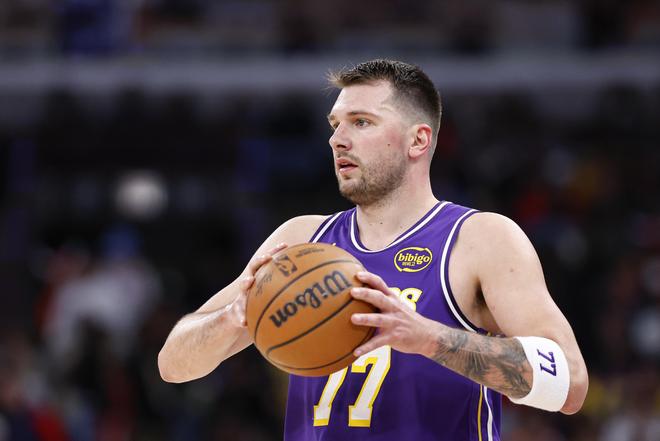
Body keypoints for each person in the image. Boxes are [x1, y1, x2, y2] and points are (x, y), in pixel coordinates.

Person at [158, 59, 589, 440]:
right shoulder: (301, 240)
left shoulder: (480, 238)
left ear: (418, 141)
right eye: (335, 124)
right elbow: (172, 364)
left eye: (361, 122)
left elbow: (570, 383)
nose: (337, 139)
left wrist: (429, 338)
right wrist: (234, 317)